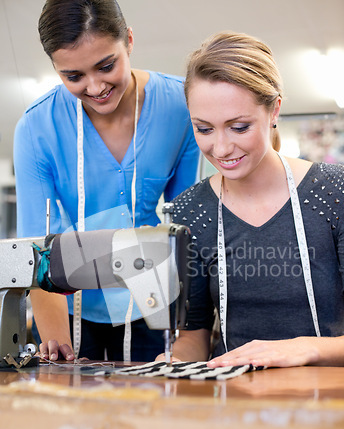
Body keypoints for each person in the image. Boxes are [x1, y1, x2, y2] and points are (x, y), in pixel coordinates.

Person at [13, 0, 199, 362]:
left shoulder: (181, 105)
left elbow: (185, 222)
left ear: (128, 40)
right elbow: (35, 246)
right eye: (73, 76)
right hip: (65, 305)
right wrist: (56, 343)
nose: (95, 87)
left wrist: (189, 335)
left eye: (106, 65)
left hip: (152, 297)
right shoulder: (36, 128)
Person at [159, 31, 344, 368]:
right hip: (236, 402)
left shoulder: (333, 193)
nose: (221, 148)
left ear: (274, 109)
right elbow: (194, 335)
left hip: (328, 400)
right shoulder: (190, 211)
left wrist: (306, 348)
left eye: (239, 127)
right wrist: (173, 361)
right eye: (204, 129)